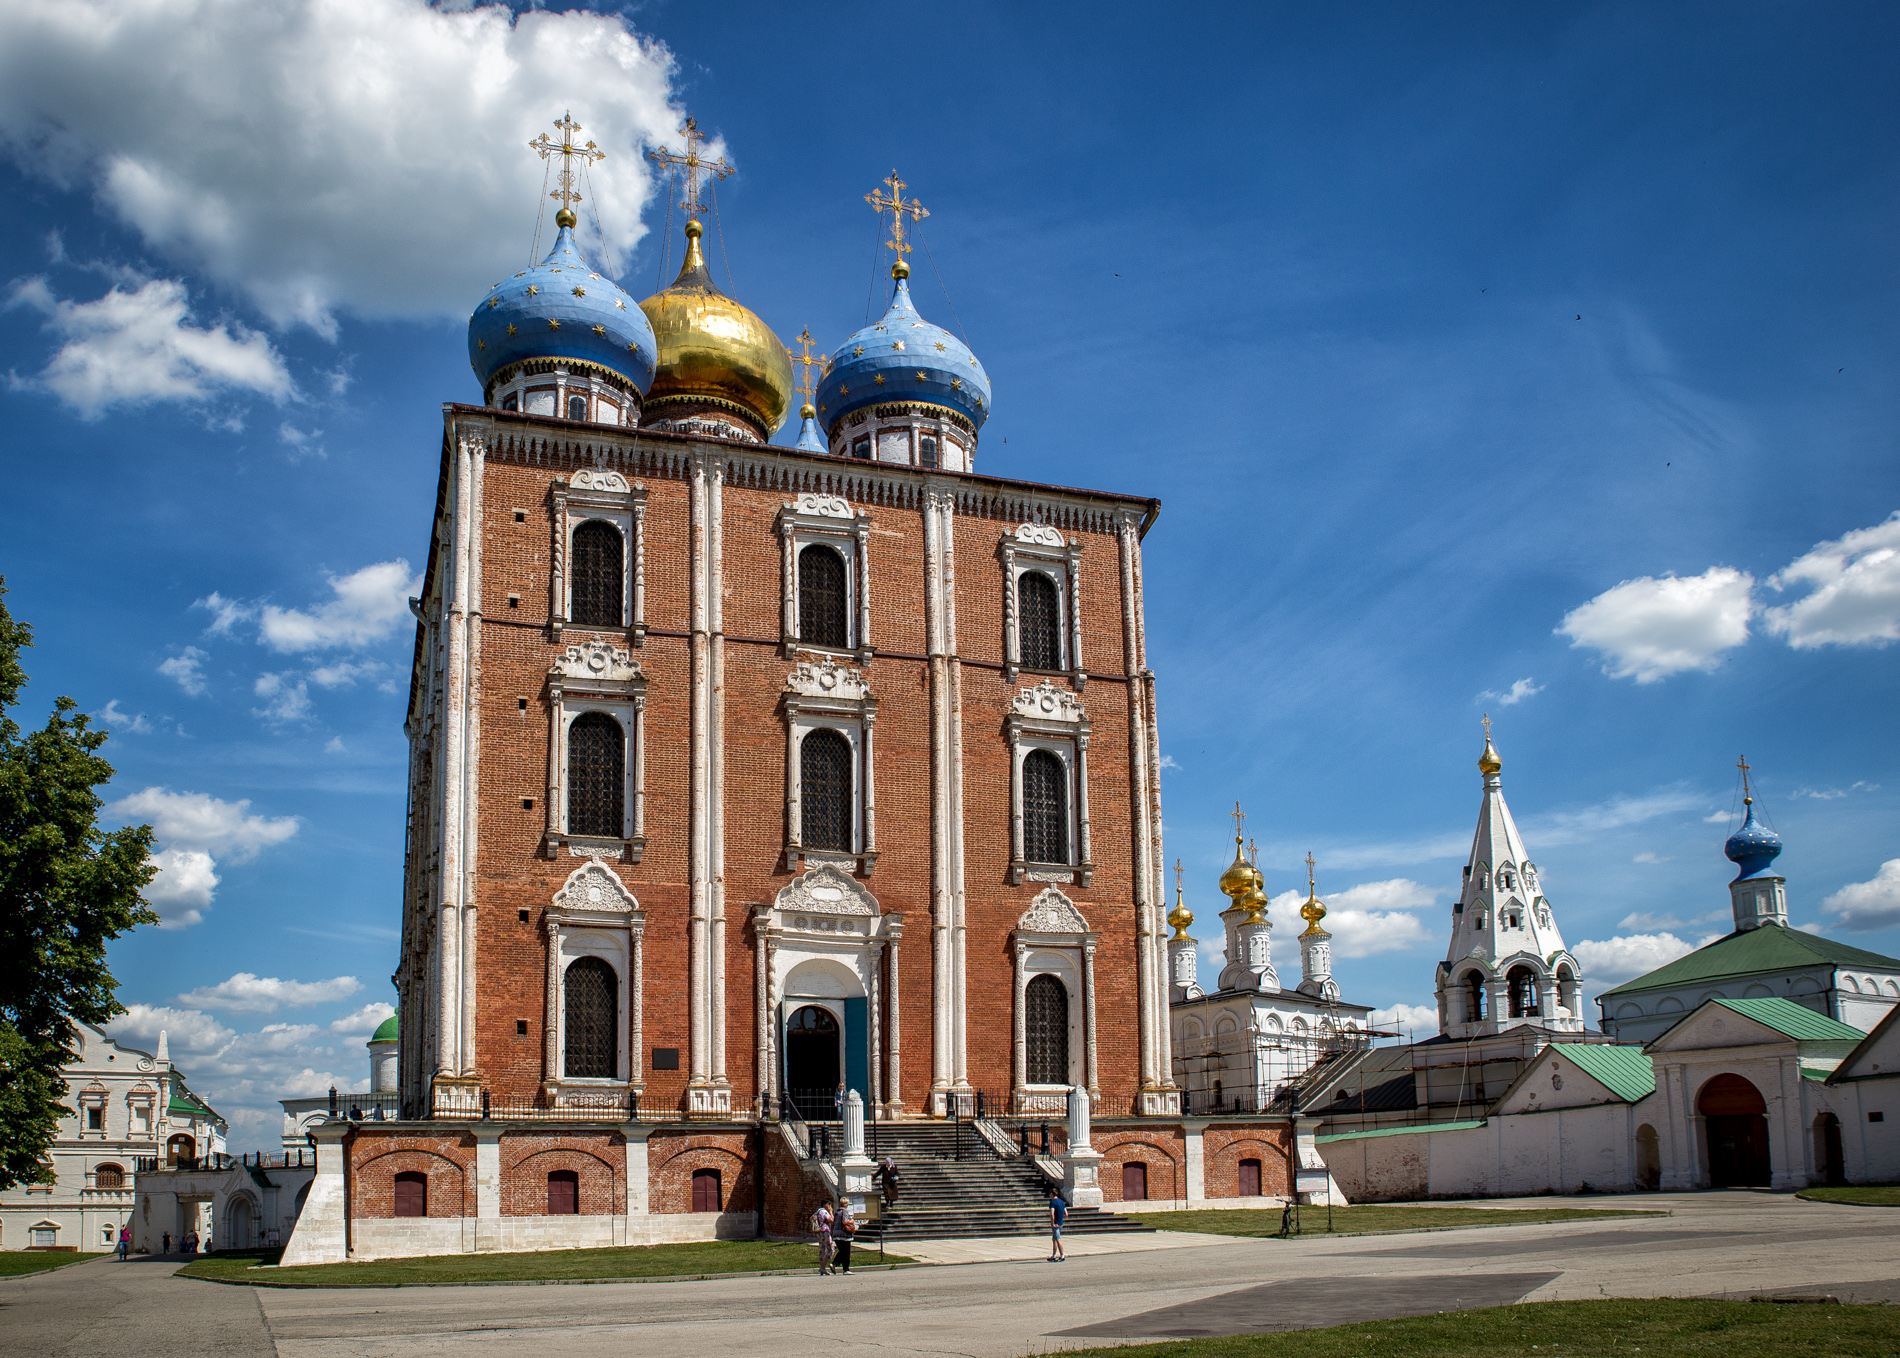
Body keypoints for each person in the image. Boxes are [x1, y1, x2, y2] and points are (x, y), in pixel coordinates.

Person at [812, 1200, 834, 1276]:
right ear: (825, 1205)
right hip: (825, 1231)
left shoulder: (818, 1211)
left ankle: (822, 1269)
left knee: (822, 1249)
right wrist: (831, 1212)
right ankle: (823, 1267)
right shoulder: (824, 1212)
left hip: (818, 1232)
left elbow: (811, 1218)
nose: (830, 1206)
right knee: (831, 1250)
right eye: (829, 1204)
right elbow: (831, 1220)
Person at [834, 1198, 856, 1275]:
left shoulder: (837, 1212)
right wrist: (851, 1221)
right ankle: (845, 1268)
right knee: (846, 1252)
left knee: (842, 1252)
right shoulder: (844, 1212)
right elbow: (845, 1221)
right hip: (844, 1235)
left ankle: (835, 1264)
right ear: (846, 1204)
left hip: (836, 1234)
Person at [1048, 1190, 1067, 1262]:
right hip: (1060, 1223)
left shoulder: (1052, 1202)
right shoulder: (1062, 1202)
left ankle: (1062, 1255)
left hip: (1055, 1224)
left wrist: (1053, 1223)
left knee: (1058, 1239)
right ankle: (1053, 1255)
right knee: (1054, 1239)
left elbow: (1052, 1213)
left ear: (1052, 1194)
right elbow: (1066, 1214)